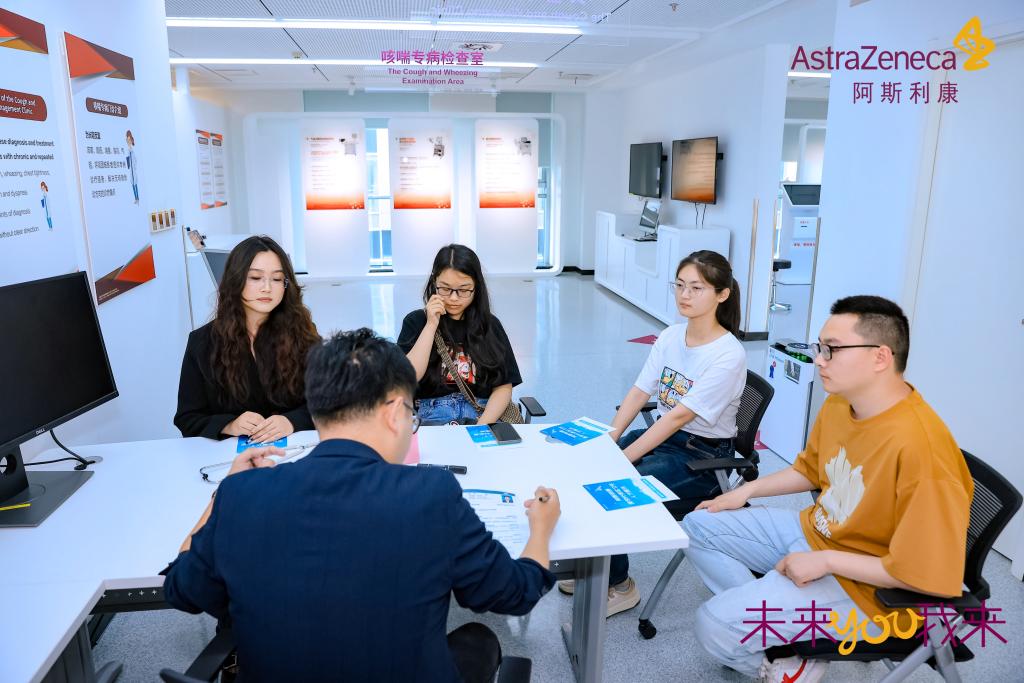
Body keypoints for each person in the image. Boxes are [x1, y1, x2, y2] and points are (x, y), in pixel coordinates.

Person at [163, 329, 561, 682]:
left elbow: (182, 589)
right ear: (394, 413)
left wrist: (222, 495)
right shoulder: (431, 494)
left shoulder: (242, 495)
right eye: (412, 416)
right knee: (479, 639)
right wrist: (541, 529)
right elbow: (514, 593)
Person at [682, 295, 973, 683]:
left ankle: (785, 656)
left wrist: (827, 562)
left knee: (713, 624)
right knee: (697, 524)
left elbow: (920, 575)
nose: (819, 360)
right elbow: (810, 470)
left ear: (880, 357)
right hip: (817, 534)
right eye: (820, 347)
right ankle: (787, 640)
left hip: (869, 590)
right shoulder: (841, 402)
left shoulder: (924, 451)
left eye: (831, 350)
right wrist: (744, 493)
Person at [558, 250, 747, 617]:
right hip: (666, 439)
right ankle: (597, 567)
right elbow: (639, 391)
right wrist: (609, 441)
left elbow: (678, 417)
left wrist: (622, 459)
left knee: (613, 489)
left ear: (722, 294)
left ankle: (619, 585)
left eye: (696, 288)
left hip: (702, 458)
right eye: (680, 285)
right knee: (590, 470)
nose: (685, 295)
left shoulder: (728, 354)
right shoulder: (672, 336)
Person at [174, 235, 319, 441]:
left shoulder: (304, 334)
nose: (267, 287)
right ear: (236, 280)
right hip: (229, 455)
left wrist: (291, 421)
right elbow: (187, 418)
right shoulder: (202, 342)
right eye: (255, 277)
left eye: (277, 279)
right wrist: (229, 425)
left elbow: (330, 401)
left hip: (294, 451)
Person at [397, 244, 522, 425]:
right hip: (432, 418)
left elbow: (503, 387)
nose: (453, 298)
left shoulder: (490, 325)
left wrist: (481, 427)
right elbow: (407, 378)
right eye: (445, 288)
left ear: (476, 287)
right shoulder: (416, 322)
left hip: (482, 415)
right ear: (434, 283)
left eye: (463, 290)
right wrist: (431, 325)